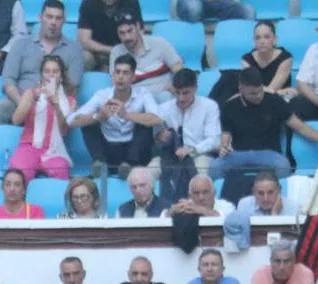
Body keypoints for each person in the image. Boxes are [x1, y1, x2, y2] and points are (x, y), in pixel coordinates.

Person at [212, 66, 318, 182]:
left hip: (269, 154)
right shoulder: (230, 107)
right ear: (241, 89)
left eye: (260, 91)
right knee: (214, 168)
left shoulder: (275, 101)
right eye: (253, 93)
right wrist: (224, 146)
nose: (258, 96)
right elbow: (225, 136)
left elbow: (300, 127)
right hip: (239, 154)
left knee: (283, 166)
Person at [0, 0, 84, 125]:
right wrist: (23, 104)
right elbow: (8, 80)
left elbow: (72, 86)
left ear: (64, 21)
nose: (53, 22)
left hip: (55, 103)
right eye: (49, 17)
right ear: (40, 17)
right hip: (20, 100)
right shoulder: (21, 44)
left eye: (58, 18)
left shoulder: (74, 49)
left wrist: (52, 103)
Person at [68, 53, 161, 175]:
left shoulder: (143, 94)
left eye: (125, 73)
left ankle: (129, 166)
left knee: (144, 123)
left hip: (134, 153)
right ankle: (99, 164)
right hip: (108, 152)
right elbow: (71, 120)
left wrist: (126, 115)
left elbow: (158, 118)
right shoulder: (102, 95)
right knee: (88, 122)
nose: (120, 77)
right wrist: (99, 116)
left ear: (133, 77)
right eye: (117, 72)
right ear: (112, 76)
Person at [151, 67, 220, 197]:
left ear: (195, 88)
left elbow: (214, 140)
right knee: (148, 173)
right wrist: (160, 137)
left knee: (201, 176)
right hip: (171, 156)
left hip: (199, 155)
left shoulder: (209, 106)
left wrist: (191, 150)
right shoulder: (164, 109)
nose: (181, 98)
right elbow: (157, 138)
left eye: (186, 93)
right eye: (177, 93)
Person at [7, 54, 73, 182]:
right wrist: (32, 100)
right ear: (42, 74)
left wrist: (56, 104)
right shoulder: (31, 93)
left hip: (54, 151)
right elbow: (16, 120)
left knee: (61, 171)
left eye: (55, 71)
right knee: (19, 172)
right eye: (47, 71)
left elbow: (64, 131)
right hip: (29, 147)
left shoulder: (70, 101)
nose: (51, 75)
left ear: (61, 76)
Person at [108, 10, 182, 102]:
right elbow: (117, 83)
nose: (127, 37)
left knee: (166, 98)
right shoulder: (116, 52)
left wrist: (174, 87)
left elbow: (179, 69)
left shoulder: (159, 43)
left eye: (130, 31)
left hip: (162, 95)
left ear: (138, 27)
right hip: (135, 99)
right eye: (122, 33)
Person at [77, 0, 142, 71]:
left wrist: (122, 51)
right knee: (84, 58)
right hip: (95, 52)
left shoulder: (131, 2)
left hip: (125, 50)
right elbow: (84, 41)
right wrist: (113, 50)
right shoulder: (88, 3)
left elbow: (139, 32)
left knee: (138, 53)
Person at [241, 21, 293, 97]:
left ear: (275, 39)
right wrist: (279, 92)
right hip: (255, 100)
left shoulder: (285, 58)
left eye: (266, 37)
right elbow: (251, 89)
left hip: (279, 101)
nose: (262, 41)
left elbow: (272, 90)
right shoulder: (246, 60)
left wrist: (274, 92)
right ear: (254, 41)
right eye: (258, 38)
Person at [163, 174, 234, 217]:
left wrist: (200, 210)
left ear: (214, 192)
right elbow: (162, 218)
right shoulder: (185, 207)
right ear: (190, 195)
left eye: (205, 192)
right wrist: (172, 211)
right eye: (196, 193)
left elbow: (227, 218)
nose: (201, 197)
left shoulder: (226, 206)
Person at [176, 0, 253, 25]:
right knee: (193, 8)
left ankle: (249, 52)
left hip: (218, 4)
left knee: (249, 11)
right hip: (194, 2)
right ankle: (199, 49)